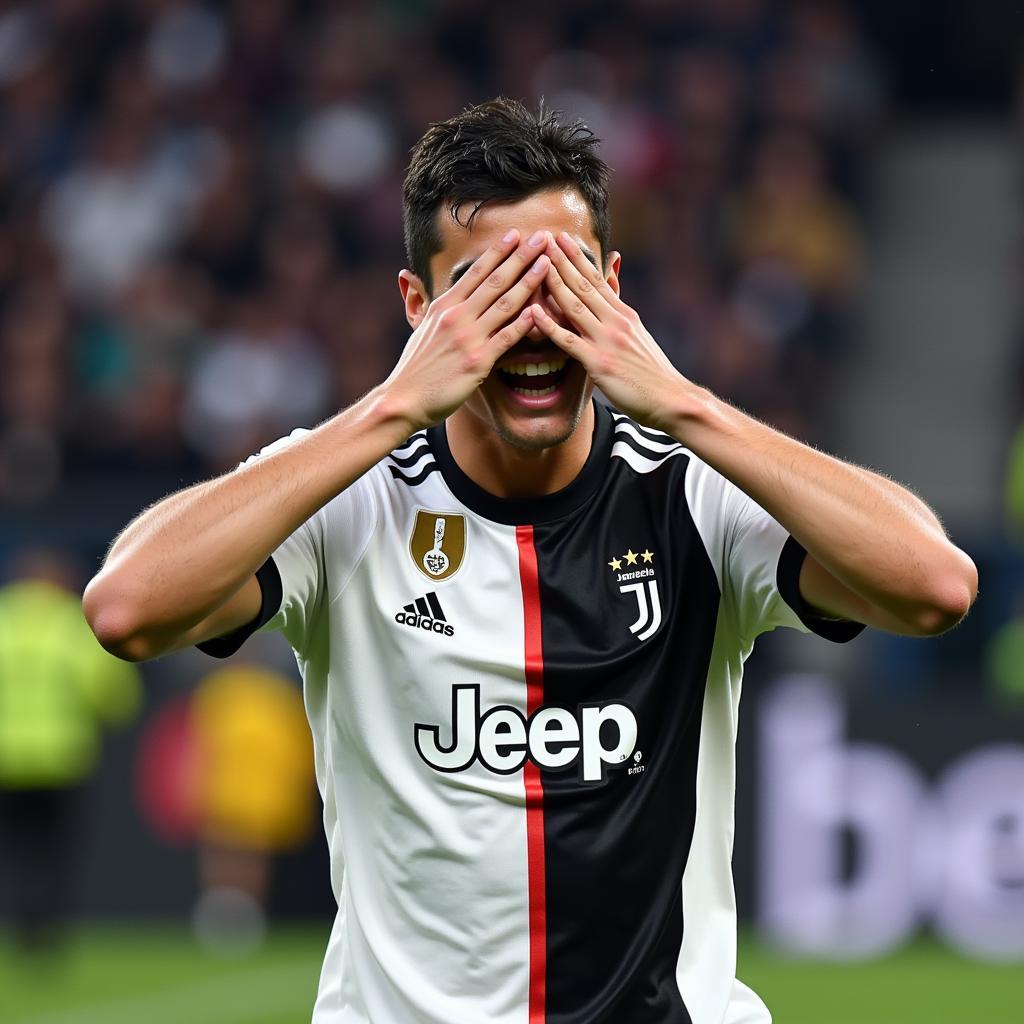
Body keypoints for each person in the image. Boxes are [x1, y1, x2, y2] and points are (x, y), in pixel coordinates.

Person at [83, 99, 977, 1023]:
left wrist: (686, 403)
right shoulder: (350, 493)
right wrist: (391, 406)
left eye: (562, 283)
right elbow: (127, 610)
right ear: (418, 306)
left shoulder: (692, 494)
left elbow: (935, 587)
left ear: (615, 290)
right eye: (485, 289)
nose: (532, 323)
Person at [0, 548, 140, 950]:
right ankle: (47, 934)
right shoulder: (70, 623)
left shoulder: (4, 621)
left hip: (8, 759)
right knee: (53, 851)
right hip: (61, 758)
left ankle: (21, 927)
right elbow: (111, 694)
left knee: (17, 850)